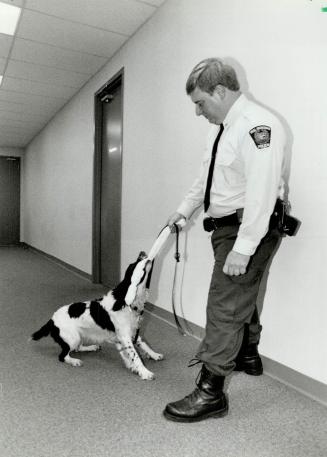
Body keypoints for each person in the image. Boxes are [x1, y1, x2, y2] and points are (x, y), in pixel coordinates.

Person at [163, 58, 286, 422]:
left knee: (224, 304)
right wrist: (184, 210)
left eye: (200, 102)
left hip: (248, 228)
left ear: (220, 90)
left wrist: (243, 247)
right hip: (227, 228)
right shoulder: (221, 128)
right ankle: (247, 354)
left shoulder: (256, 126)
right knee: (240, 295)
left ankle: (211, 392)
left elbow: (262, 193)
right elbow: (207, 180)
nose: (198, 112)